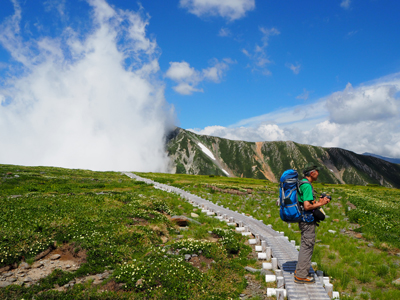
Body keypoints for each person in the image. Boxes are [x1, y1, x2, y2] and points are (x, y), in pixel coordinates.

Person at [294, 163, 330, 284]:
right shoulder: (307, 186)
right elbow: (307, 206)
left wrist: (317, 202)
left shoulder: (301, 183)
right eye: (317, 171)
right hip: (307, 220)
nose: (318, 174)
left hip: (302, 219)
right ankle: (301, 275)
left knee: (305, 245)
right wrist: (322, 204)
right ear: (312, 173)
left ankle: (300, 270)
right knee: (307, 247)